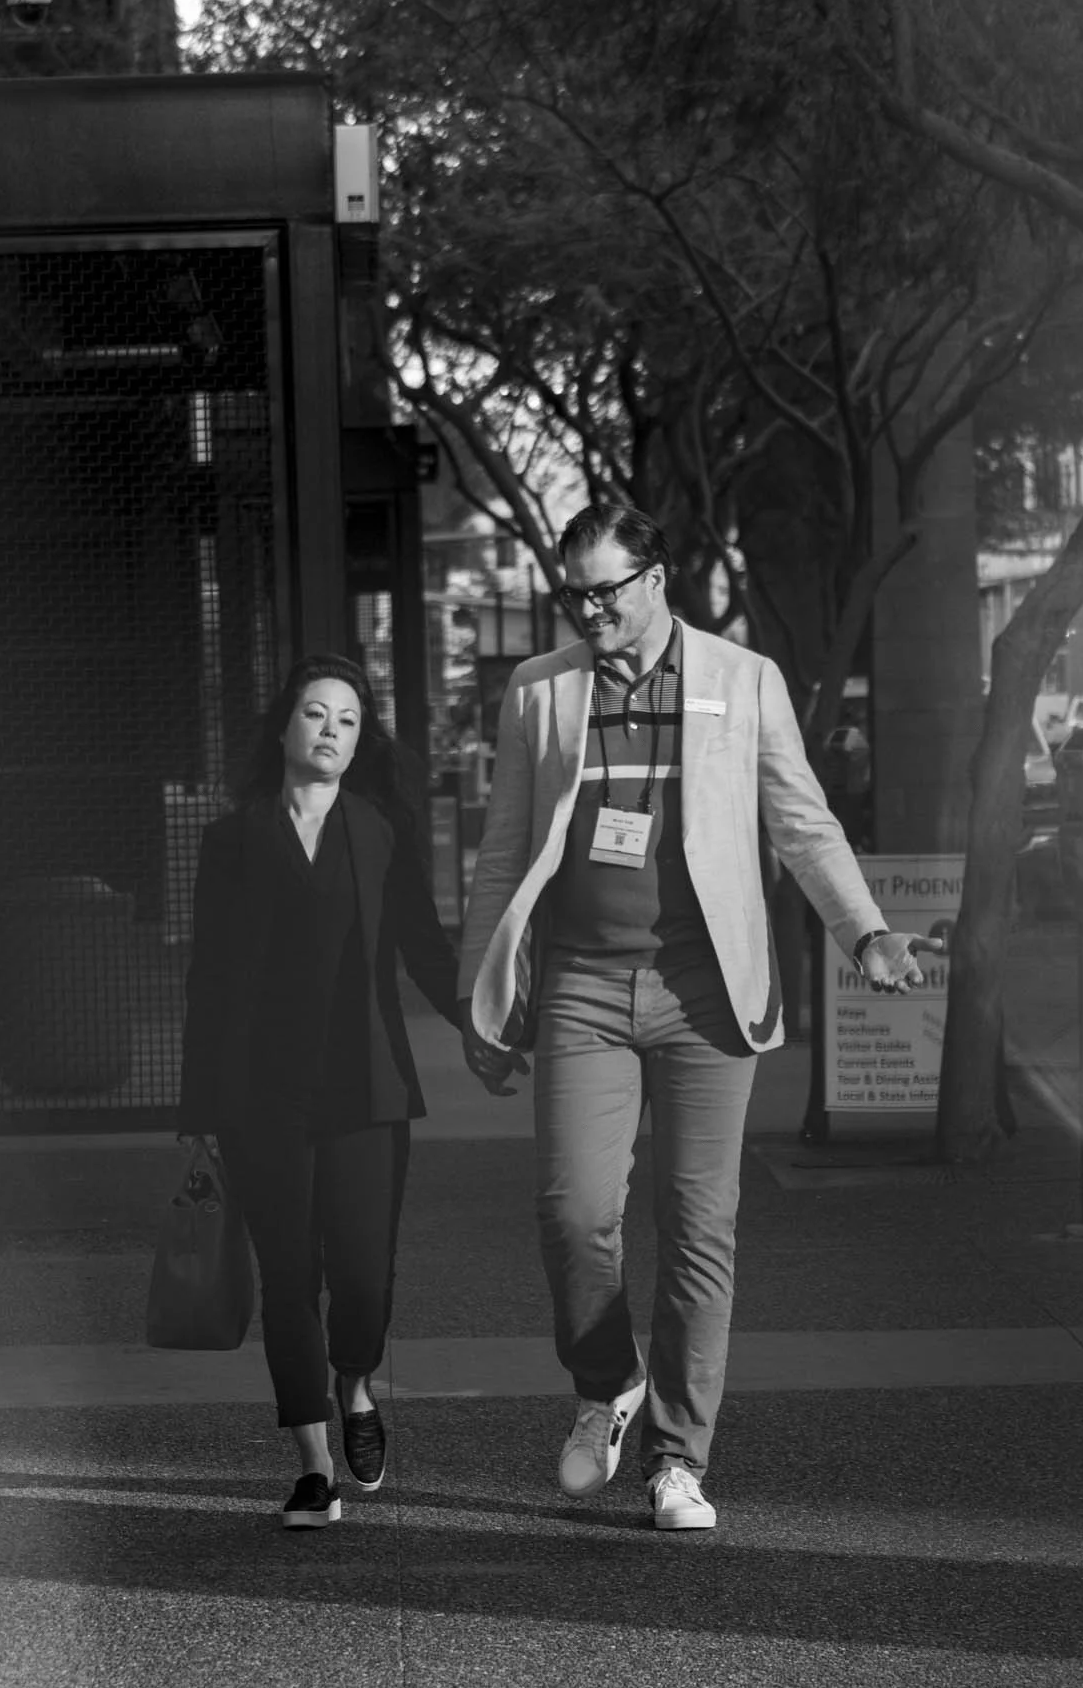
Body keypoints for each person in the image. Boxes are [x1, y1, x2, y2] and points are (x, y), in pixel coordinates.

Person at [457, 504, 942, 1532]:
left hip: (707, 993)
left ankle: (677, 1456)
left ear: (656, 578)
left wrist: (868, 935)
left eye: (606, 589)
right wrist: (482, 995)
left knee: (697, 1225)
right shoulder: (539, 692)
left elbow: (802, 823)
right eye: (573, 592)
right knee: (570, 1208)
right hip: (582, 986)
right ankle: (608, 1381)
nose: (588, 609)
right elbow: (502, 851)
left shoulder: (742, 679)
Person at [178, 654, 461, 1529]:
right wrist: (199, 1115)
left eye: (347, 718)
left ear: (358, 738)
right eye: (314, 714)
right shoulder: (233, 838)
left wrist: (481, 1027)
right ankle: (310, 1467)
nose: (330, 730)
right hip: (262, 1095)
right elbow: (212, 977)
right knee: (288, 1277)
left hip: (368, 1088)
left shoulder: (379, 830)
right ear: (283, 729)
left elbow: (422, 943)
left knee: (364, 1279)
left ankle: (356, 1386)